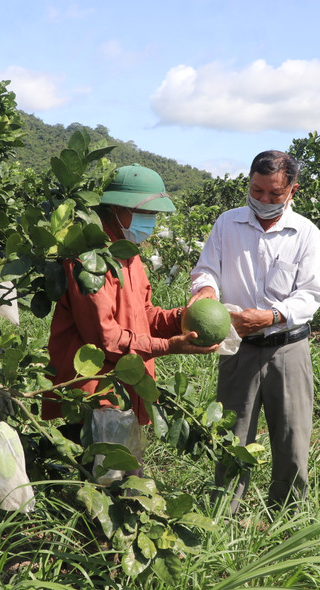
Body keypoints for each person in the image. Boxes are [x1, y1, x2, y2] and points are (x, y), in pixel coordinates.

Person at [44, 164, 217, 475]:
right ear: (115, 209)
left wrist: (184, 318)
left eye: (153, 215)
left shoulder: (129, 253)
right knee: (102, 486)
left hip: (124, 388)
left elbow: (144, 313)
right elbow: (106, 339)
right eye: (144, 214)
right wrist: (169, 346)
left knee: (121, 480)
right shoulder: (91, 261)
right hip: (95, 396)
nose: (150, 222)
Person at [190, 150, 320, 513]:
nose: (263, 200)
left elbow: (310, 295)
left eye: (274, 194)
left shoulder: (307, 235)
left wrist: (271, 317)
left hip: (288, 349)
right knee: (231, 438)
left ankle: (285, 517)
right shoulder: (227, 224)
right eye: (257, 191)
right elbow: (207, 270)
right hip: (239, 348)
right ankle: (224, 516)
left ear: (292, 190)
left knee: (292, 439)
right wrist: (205, 288)